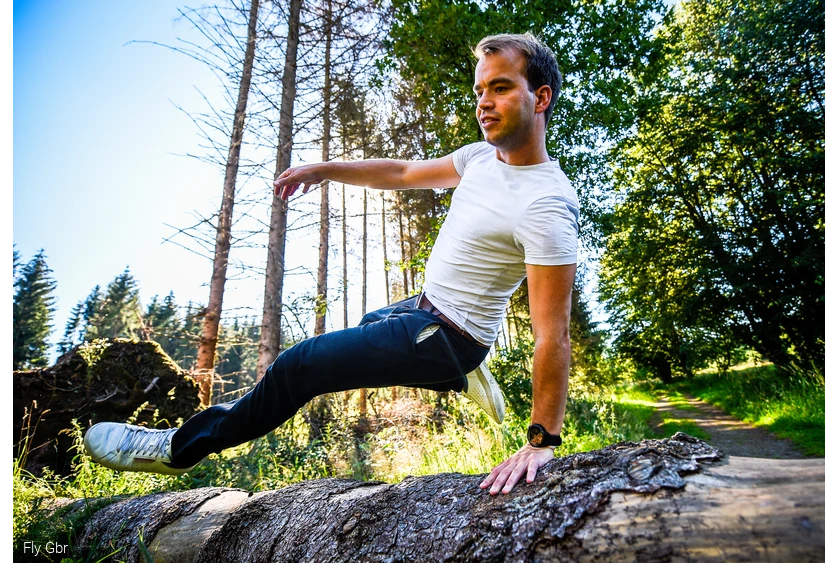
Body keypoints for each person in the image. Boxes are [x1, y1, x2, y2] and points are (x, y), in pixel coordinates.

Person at [84, 32, 578, 496]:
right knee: (368, 325)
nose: (483, 103)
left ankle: (177, 449)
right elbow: (405, 172)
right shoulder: (480, 158)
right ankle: (459, 375)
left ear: (540, 97)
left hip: (448, 336)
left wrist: (541, 440)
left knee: (301, 364)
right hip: (424, 310)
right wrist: (325, 168)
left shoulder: (546, 205)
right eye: (479, 90)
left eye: (500, 87)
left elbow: (551, 335)